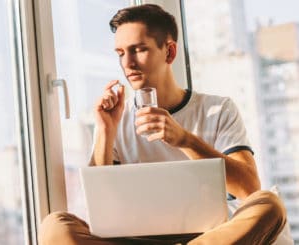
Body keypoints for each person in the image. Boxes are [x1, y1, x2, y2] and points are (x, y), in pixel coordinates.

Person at [39, 4, 286, 245]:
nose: (127, 64)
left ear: (169, 52)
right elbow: (99, 208)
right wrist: (105, 130)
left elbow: (249, 188)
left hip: (210, 236)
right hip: (135, 238)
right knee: (55, 226)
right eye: (121, 53)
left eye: (138, 50)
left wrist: (185, 140)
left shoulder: (218, 109)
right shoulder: (115, 118)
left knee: (269, 205)